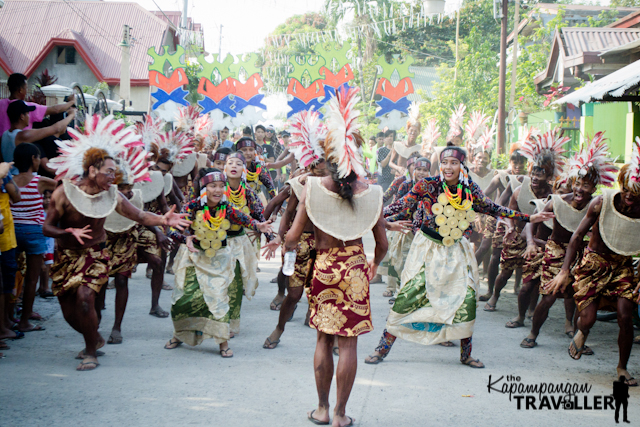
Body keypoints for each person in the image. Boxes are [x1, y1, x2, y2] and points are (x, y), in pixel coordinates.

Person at [364, 145, 554, 368]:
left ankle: (466, 354)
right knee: (408, 296)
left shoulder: (468, 188)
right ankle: (382, 349)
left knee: (467, 299)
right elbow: (402, 204)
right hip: (428, 251)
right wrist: (370, 213)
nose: (448, 167)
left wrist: (530, 218)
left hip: (456, 251)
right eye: (444, 162)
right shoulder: (427, 185)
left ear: (462, 165)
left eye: (453, 163)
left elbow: (492, 207)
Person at [44, 114, 190, 371]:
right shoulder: (63, 192)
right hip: (66, 256)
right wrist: (67, 232)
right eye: (109, 172)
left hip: (96, 254)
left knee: (86, 298)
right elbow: (46, 227)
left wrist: (164, 220)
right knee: (69, 310)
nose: (114, 176)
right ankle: (94, 337)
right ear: (92, 170)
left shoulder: (114, 195)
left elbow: (140, 215)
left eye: (115, 172)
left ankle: (91, 352)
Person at [284, 87, 388, 427]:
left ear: (328, 154)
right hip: (356, 268)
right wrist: (374, 264)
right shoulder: (371, 193)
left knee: (323, 339)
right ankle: (342, 415)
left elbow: (293, 237)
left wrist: (282, 242)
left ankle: (322, 409)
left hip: (325, 268)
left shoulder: (312, 188)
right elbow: (382, 244)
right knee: (350, 345)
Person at [546, 139, 640, 386]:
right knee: (588, 319)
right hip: (593, 265)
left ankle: (622, 368)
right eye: (628, 190)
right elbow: (577, 237)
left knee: (625, 315)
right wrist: (564, 271)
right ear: (622, 184)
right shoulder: (602, 202)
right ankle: (582, 331)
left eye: (637, 192)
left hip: (622, 266)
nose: (631, 196)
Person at [520, 133, 617, 348]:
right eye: (578, 183)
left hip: (584, 255)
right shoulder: (557, 202)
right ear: (573, 183)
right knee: (549, 297)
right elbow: (531, 221)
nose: (580, 189)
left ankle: (576, 339)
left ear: (594, 188)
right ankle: (533, 333)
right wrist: (531, 242)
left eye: (586, 185)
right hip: (555, 253)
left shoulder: (598, 206)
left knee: (582, 298)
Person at [164, 169, 272, 357]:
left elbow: (243, 218)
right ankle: (179, 334)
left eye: (221, 186)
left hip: (219, 260)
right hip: (194, 258)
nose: (218, 190)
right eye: (213, 186)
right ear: (204, 188)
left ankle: (223, 343)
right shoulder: (192, 207)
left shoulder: (226, 207)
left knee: (218, 300)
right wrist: (185, 239)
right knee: (184, 299)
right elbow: (172, 231)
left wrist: (258, 225)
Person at [261, 109, 328, 349]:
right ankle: (279, 327)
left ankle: (335, 338)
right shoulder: (299, 182)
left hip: (327, 247)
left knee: (326, 294)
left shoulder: (337, 186)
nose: (321, 166)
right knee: (295, 294)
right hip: (299, 244)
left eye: (326, 161)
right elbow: (287, 212)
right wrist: (277, 236)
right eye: (317, 161)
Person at [483, 129, 566, 312]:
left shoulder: (552, 194)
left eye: (540, 175)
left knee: (534, 276)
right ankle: (495, 295)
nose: (535, 178)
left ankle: (530, 310)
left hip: (536, 238)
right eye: (534, 173)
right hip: (516, 234)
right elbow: (509, 212)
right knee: (505, 271)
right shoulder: (521, 190)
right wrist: (510, 229)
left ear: (549, 177)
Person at [10, 143, 57, 332]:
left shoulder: (9, 179)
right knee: (32, 278)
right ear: (33, 159)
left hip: (12, 231)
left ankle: (8, 317)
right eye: (38, 157)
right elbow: (64, 187)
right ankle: (24, 321)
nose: (39, 161)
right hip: (34, 232)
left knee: (10, 276)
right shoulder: (40, 181)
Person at [223, 152, 271, 336]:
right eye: (230, 162)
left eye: (238, 163)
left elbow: (259, 215)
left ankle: (230, 325)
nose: (234, 165)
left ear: (244, 169)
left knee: (234, 286)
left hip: (238, 243)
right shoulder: (215, 189)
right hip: (214, 244)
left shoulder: (248, 192)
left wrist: (269, 235)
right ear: (224, 168)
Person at [476, 141, 528, 301]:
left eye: (521, 162)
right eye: (515, 162)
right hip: (497, 218)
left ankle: (517, 285)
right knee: (491, 251)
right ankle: (488, 289)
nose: (518, 165)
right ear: (510, 162)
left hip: (518, 220)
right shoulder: (501, 176)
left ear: (526, 163)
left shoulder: (529, 178)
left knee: (519, 254)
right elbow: (483, 195)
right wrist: (482, 213)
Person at [1, 100, 75, 174]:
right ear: (22, 117)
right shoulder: (22, 135)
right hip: (22, 177)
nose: (29, 116)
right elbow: (56, 129)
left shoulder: (5, 134)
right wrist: (71, 115)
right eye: (27, 114)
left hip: (11, 175)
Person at [0, 73, 75, 136]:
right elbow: (55, 110)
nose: (26, 91)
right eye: (26, 88)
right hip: (23, 148)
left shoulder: (1, 103)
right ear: (20, 90)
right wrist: (71, 103)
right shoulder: (25, 107)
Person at [0, 161, 20, 342]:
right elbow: (16, 195)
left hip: (7, 235)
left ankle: (6, 321)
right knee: (3, 284)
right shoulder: (3, 172)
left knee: (7, 281)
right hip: (3, 236)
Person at [388, 103, 422, 174]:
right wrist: (398, 168)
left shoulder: (419, 148)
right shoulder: (398, 145)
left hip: (412, 179)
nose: (413, 133)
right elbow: (390, 163)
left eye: (415, 131)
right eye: (411, 131)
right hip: (399, 177)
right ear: (407, 131)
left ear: (418, 133)